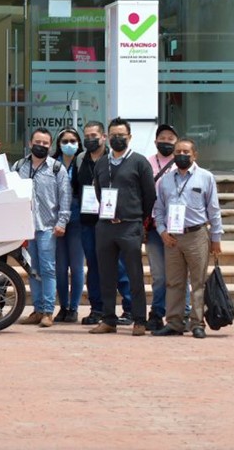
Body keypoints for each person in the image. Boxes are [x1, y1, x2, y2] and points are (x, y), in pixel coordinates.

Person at [89, 118, 156, 336]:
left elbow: (149, 195)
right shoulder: (102, 163)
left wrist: (139, 218)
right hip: (105, 226)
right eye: (113, 135)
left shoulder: (140, 162)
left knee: (134, 274)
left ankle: (139, 320)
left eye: (121, 135)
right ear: (107, 137)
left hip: (130, 226)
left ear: (130, 137)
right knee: (106, 275)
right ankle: (108, 319)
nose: (117, 139)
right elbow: (98, 192)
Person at [151, 138, 223, 339]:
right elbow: (159, 209)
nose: (181, 155)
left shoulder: (206, 177)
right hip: (172, 237)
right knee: (174, 282)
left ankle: (197, 323)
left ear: (194, 155)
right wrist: (162, 232)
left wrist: (216, 237)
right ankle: (174, 322)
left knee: (198, 282)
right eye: (178, 152)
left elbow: (214, 209)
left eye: (186, 152)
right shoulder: (165, 180)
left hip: (196, 235)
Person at [77, 121, 135, 326]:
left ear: (104, 137)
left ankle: (129, 308)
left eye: (94, 136)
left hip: (113, 221)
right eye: (87, 136)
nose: (90, 139)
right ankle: (97, 309)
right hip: (88, 222)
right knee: (93, 266)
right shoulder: (80, 159)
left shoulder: (113, 159)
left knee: (119, 267)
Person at [15, 127, 72, 328]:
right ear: (30, 143)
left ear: (50, 146)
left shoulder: (57, 168)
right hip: (26, 227)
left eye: (45, 143)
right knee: (33, 270)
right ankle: (37, 310)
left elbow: (65, 196)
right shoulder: (19, 166)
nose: (41, 146)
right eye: (37, 142)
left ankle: (48, 311)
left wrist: (62, 222)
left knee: (48, 269)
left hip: (48, 227)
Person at [145, 123, 179, 332]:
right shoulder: (146, 163)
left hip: (179, 227)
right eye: (162, 138)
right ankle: (157, 313)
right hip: (154, 226)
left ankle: (182, 313)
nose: (166, 142)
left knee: (179, 275)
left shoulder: (183, 163)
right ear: (156, 141)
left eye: (170, 139)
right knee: (158, 275)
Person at [52, 127, 84, 323]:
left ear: (79, 143)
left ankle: (74, 308)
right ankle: (63, 306)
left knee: (77, 266)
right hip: (56, 218)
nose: (69, 144)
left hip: (78, 217)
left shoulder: (83, 162)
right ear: (59, 144)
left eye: (73, 141)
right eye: (65, 141)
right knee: (60, 266)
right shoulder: (52, 163)